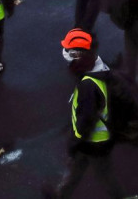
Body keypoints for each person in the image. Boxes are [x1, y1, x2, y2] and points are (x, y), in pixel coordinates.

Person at [48, 29, 130, 199]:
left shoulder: (88, 86)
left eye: (70, 53)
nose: (67, 56)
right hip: (94, 141)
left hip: (93, 142)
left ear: (79, 56)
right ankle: (60, 195)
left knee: (104, 175)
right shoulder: (98, 66)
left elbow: (86, 120)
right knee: (76, 170)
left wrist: (74, 142)